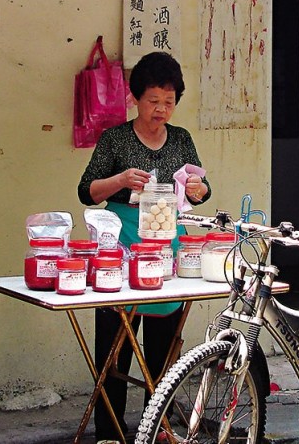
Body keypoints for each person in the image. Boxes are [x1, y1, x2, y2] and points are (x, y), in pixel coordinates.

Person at [77, 51, 211, 443]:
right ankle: (110, 433)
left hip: (166, 250)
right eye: (154, 101)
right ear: (136, 98)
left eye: (169, 102)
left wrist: (199, 189)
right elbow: (87, 191)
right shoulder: (115, 139)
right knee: (114, 352)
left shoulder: (182, 140)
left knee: (162, 353)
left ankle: (162, 428)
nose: (161, 109)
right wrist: (119, 180)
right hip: (119, 251)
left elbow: (200, 189)